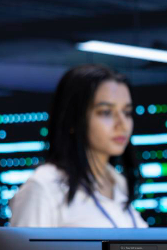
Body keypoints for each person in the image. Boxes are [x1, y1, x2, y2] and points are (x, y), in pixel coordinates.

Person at [10, 64, 145, 228]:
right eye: (106, 112)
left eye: (127, 112)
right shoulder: (44, 187)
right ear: (73, 119)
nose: (122, 124)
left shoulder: (119, 183)